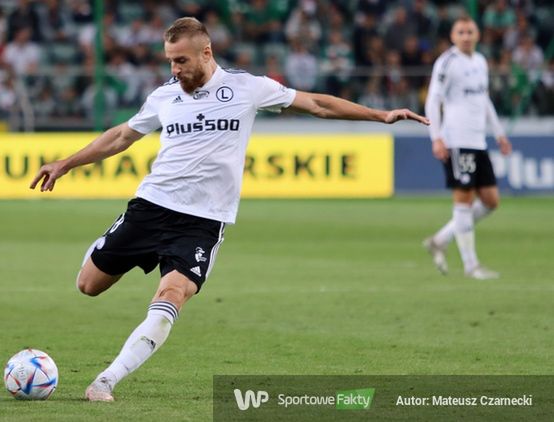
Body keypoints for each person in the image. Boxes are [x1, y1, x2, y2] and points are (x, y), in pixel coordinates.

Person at [29, 17, 429, 402]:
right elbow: (121, 136)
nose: (175, 69)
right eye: (170, 61)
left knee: (171, 295)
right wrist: (66, 163)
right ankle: (107, 246)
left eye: (181, 60)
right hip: (151, 206)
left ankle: (105, 380)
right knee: (88, 285)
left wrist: (380, 115)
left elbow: (317, 104)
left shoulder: (247, 87)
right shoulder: (164, 95)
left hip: (202, 222)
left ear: (206, 53)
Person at [423, 16, 512, 280]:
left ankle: (440, 239)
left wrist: (499, 133)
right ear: (453, 36)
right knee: (463, 201)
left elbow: (484, 100)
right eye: (460, 32)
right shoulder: (447, 62)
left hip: (478, 141)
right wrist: (436, 137)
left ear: (477, 35)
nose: (465, 36)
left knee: (491, 201)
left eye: (470, 31)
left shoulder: (480, 61)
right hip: (457, 140)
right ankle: (471, 265)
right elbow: (433, 100)